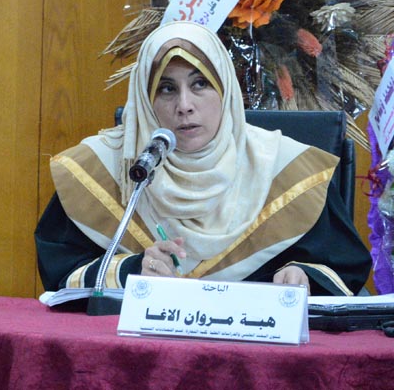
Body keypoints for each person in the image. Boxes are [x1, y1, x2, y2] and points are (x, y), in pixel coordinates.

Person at [35, 21, 371, 296]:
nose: (184, 106)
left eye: (200, 84)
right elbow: (61, 272)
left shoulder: (289, 170)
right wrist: (130, 271)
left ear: (225, 90)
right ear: (145, 100)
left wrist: (303, 276)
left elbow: (344, 268)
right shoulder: (101, 170)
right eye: (167, 88)